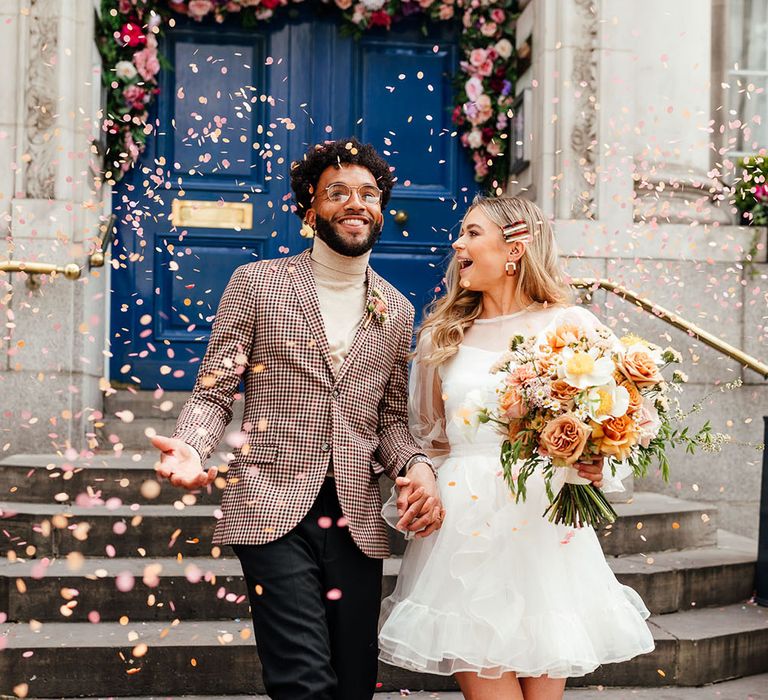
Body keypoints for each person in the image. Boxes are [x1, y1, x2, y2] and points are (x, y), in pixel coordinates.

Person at [150, 138, 444, 700]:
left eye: (369, 193)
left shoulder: (397, 307)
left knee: (353, 683)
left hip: (356, 517)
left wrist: (419, 467)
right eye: (338, 192)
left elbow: (387, 422)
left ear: (381, 209)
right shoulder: (256, 284)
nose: (356, 203)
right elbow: (215, 391)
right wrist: (193, 446)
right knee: (302, 680)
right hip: (268, 503)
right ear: (309, 210)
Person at [378, 195, 654, 700]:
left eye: (472, 232)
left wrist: (596, 461)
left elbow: (631, 420)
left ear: (515, 247)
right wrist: (422, 484)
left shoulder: (570, 326)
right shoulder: (443, 334)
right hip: (465, 525)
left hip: (543, 524)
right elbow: (429, 440)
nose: (457, 243)